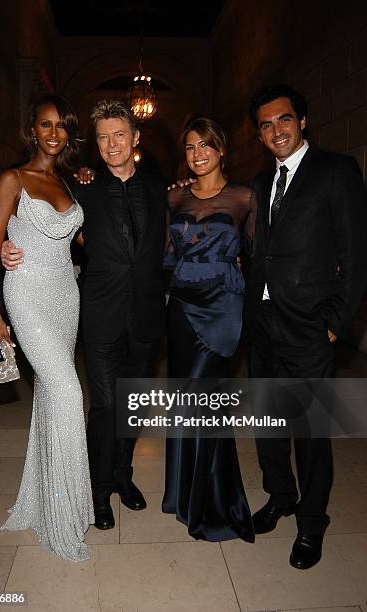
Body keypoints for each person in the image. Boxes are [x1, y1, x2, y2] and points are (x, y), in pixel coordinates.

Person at [2, 98, 168, 531]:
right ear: (95, 144)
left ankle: (124, 477)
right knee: (105, 405)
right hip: (99, 313)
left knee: (132, 407)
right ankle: (98, 491)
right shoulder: (82, 188)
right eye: (103, 137)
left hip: (147, 315)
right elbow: (45, 226)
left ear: (135, 138)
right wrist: (7, 245)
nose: (112, 144)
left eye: (119, 135)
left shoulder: (159, 187)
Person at [245, 83, 367, 569]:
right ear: (259, 134)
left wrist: (335, 325)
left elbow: (356, 257)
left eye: (284, 120)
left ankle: (312, 522)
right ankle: (281, 496)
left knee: (311, 431)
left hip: (311, 327)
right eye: (266, 124)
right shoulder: (259, 183)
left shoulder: (336, 172)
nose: (276, 130)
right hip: (264, 324)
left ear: (302, 121)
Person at [0, 95, 94, 561]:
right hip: (25, 295)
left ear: (69, 133)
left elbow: (87, 241)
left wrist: (95, 184)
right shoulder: (13, 179)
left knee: (52, 396)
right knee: (70, 394)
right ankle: (67, 513)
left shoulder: (70, 184)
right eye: (45, 125)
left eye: (61, 126)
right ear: (33, 131)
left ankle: (47, 499)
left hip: (66, 297)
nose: (53, 133)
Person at [162, 117, 256, 543]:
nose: (197, 153)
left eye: (206, 145)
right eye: (190, 146)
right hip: (181, 306)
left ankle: (214, 504)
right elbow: (167, 255)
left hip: (222, 307)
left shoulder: (244, 197)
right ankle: (183, 494)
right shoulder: (175, 197)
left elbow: (259, 255)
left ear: (221, 149)